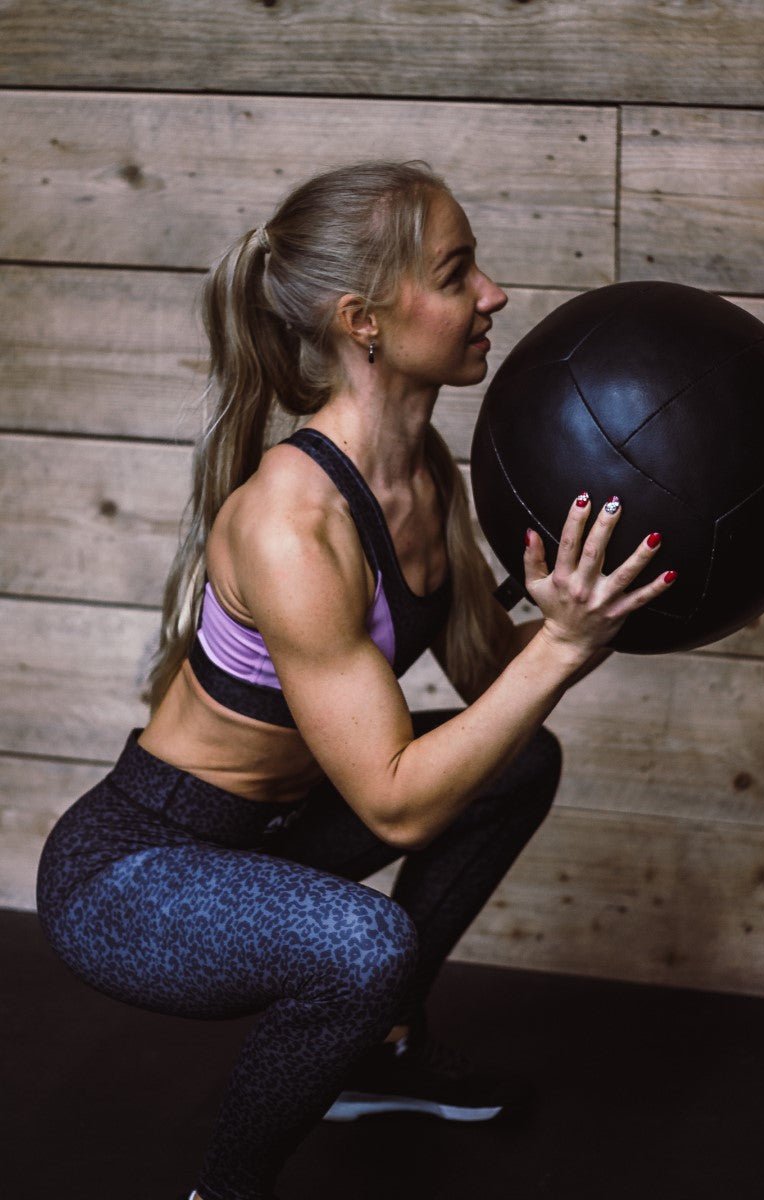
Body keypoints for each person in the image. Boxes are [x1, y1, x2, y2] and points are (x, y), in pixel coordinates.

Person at [35, 160, 676, 1200]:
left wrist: (584, 608)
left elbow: (484, 679)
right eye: (457, 272)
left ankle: (379, 1055)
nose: (494, 296)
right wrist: (560, 649)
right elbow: (394, 801)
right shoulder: (295, 524)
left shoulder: (425, 472)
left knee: (519, 764)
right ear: (362, 319)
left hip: (276, 833)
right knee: (361, 941)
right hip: (138, 868)